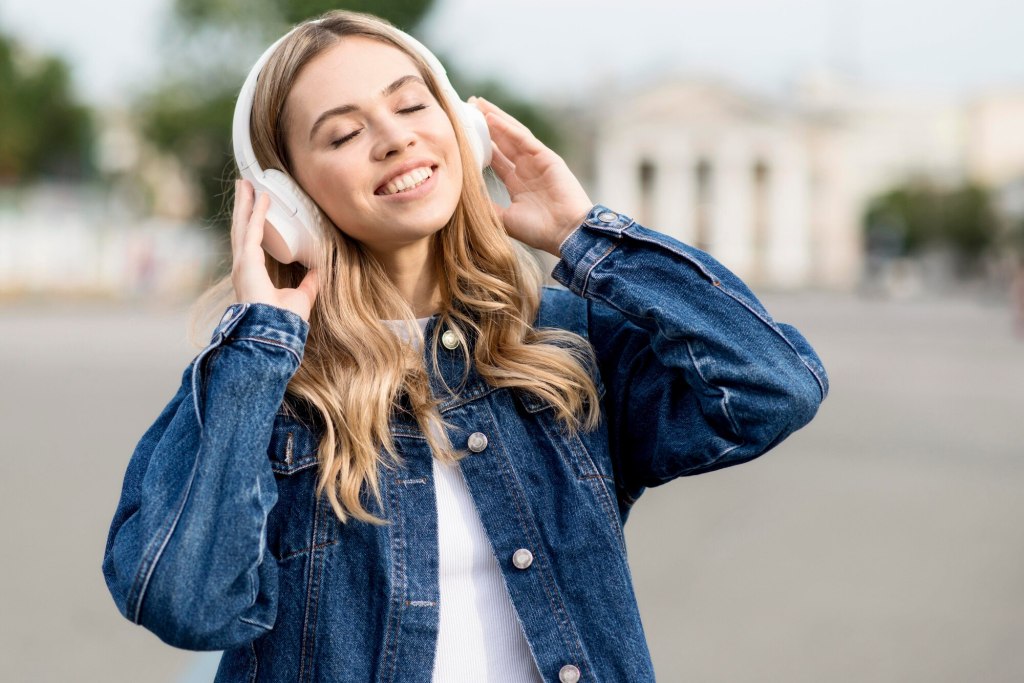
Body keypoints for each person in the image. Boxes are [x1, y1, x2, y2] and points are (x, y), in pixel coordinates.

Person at [102, 10, 829, 683]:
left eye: (412, 105)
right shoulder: (265, 386)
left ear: (461, 129)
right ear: (288, 199)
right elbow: (186, 604)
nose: (395, 137)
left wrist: (587, 237)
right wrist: (258, 350)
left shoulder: (562, 343)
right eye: (344, 133)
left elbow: (773, 387)